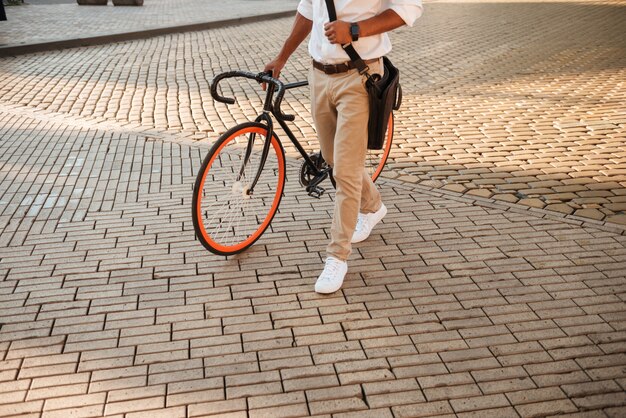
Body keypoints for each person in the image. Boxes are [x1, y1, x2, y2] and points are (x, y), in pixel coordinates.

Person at [265, 0, 423, 294]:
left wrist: (354, 29)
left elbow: (409, 8)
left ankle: (337, 256)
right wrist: (281, 58)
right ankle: (373, 206)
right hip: (319, 77)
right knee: (333, 160)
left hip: (360, 78)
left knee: (346, 173)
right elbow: (308, 10)